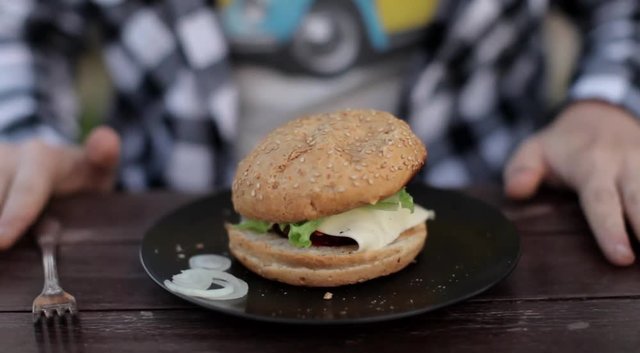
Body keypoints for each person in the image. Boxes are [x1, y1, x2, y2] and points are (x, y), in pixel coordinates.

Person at [0, 0, 638, 267]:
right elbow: (26, 26)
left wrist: (609, 105)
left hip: (504, 205)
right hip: (157, 224)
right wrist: (23, 127)